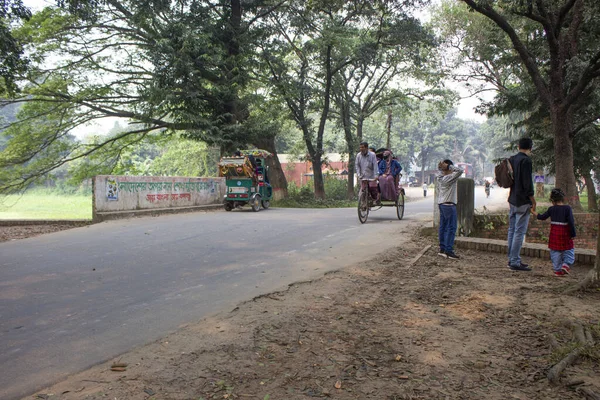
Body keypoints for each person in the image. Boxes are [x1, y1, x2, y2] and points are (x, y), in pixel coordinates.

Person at [531, 189, 576, 276]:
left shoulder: (551, 209)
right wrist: (573, 234)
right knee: (569, 249)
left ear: (552, 200)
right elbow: (571, 222)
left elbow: (542, 217)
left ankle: (557, 270)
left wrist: (533, 212)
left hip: (554, 233)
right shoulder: (567, 208)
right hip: (565, 233)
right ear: (563, 198)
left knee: (555, 251)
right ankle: (566, 265)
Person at [507, 138, 536, 271]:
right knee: (519, 232)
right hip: (523, 200)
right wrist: (532, 199)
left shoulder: (512, 159)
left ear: (518, 146)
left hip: (512, 199)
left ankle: (512, 259)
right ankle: (514, 261)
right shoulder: (526, 161)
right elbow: (527, 182)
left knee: (512, 230)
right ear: (530, 147)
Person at [436, 159, 464, 260]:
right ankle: (449, 250)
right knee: (451, 228)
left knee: (443, 227)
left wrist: (442, 167)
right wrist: (449, 167)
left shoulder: (440, 177)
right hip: (449, 205)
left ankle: (442, 248)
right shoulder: (449, 177)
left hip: (442, 204)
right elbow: (460, 171)